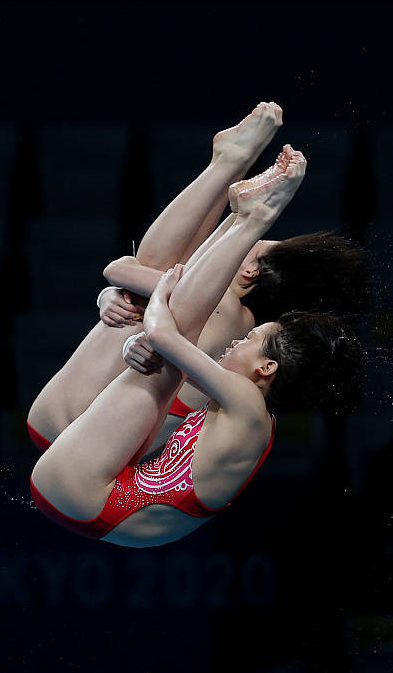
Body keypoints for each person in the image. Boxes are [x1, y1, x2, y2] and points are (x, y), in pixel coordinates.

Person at [29, 149, 364, 547]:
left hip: (87, 492)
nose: (239, 341)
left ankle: (247, 208)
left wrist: (160, 295)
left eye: (249, 341)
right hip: (95, 489)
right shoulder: (249, 408)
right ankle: (243, 207)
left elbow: (163, 330)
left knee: (174, 338)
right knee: (171, 340)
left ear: (267, 367)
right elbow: (153, 322)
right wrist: (128, 313)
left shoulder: (243, 396)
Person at [26, 103, 366, 456]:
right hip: (70, 433)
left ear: (250, 272)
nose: (242, 247)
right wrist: (113, 297)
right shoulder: (239, 325)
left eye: (254, 243)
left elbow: (118, 269)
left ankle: (227, 169)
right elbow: (150, 274)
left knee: (162, 268)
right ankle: (232, 172)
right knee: (171, 274)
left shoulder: (224, 311)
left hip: (71, 438)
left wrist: (115, 290)